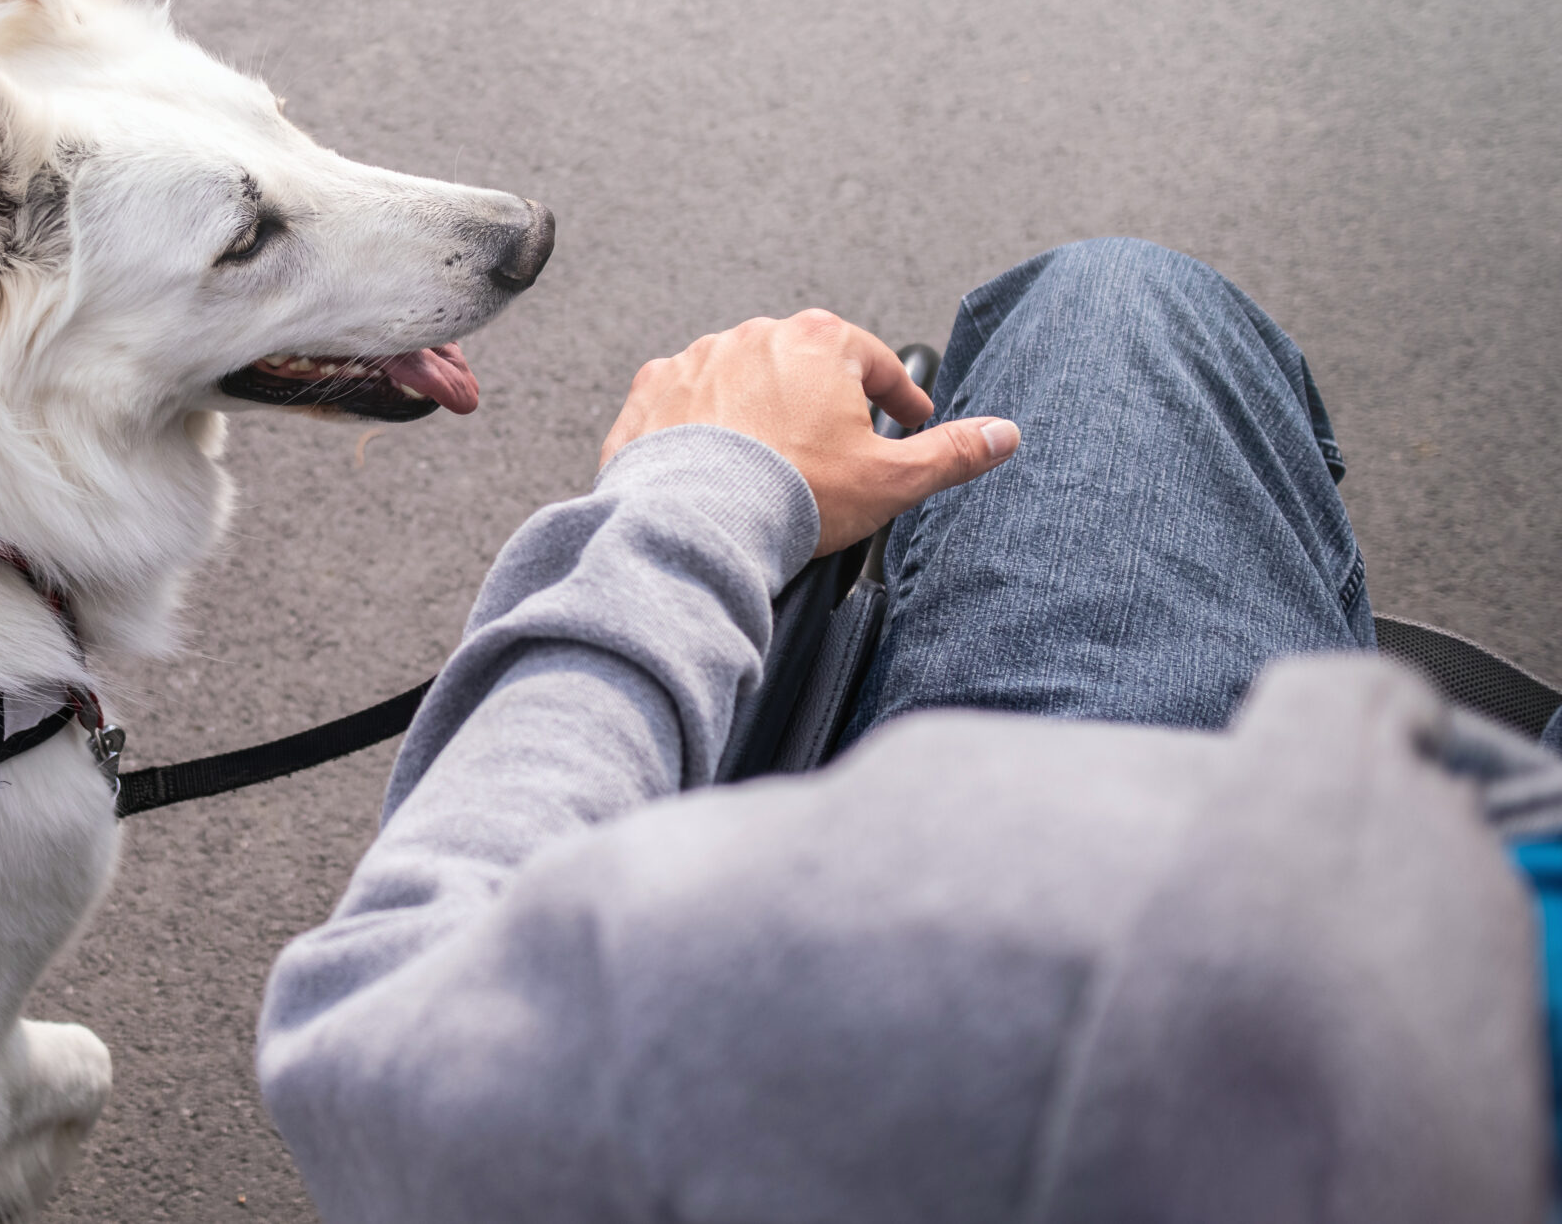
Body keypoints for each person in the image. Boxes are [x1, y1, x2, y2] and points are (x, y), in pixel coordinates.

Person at [257, 238, 1561, 1223]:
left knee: (1118, 305)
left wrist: (697, 492)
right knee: (1120, 308)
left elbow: (375, 1030)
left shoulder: (1075, 999)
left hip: (1273, 948)